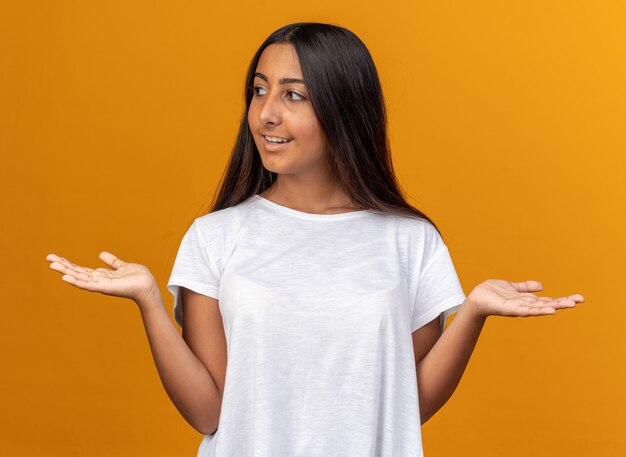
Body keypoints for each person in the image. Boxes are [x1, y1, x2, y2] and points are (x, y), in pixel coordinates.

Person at [45, 22, 584, 457]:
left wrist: (471, 315)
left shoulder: (410, 241)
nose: (266, 113)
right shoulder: (217, 237)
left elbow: (403, 406)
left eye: (293, 95)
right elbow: (210, 413)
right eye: (259, 90)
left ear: (345, 108)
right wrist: (148, 301)